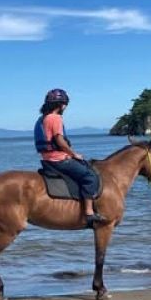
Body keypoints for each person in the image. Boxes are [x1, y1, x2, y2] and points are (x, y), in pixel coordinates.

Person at [34, 88, 106, 228]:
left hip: (47, 158)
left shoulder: (43, 118)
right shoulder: (55, 118)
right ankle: (89, 212)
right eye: (65, 104)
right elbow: (60, 141)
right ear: (61, 104)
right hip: (58, 159)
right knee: (89, 177)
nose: (65, 107)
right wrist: (74, 154)